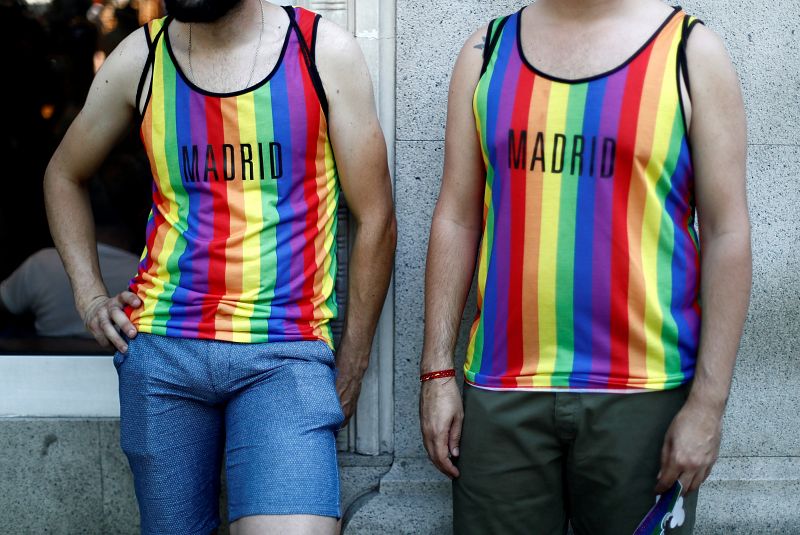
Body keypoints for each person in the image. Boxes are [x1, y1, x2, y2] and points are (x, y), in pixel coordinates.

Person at [44, 0, 396, 533]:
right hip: (161, 353)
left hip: (284, 353)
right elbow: (63, 175)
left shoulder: (322, 51)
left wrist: (352, 362)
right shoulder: (141, 58)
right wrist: (90, 296)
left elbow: (376, 218)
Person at [420, 0, 750, 533]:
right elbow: (457, 218)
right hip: (503, 392)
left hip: (646, 394)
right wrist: (436, 373)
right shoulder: (486, 53)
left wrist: (709, 405)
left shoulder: (690, 52)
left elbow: (727, 233)